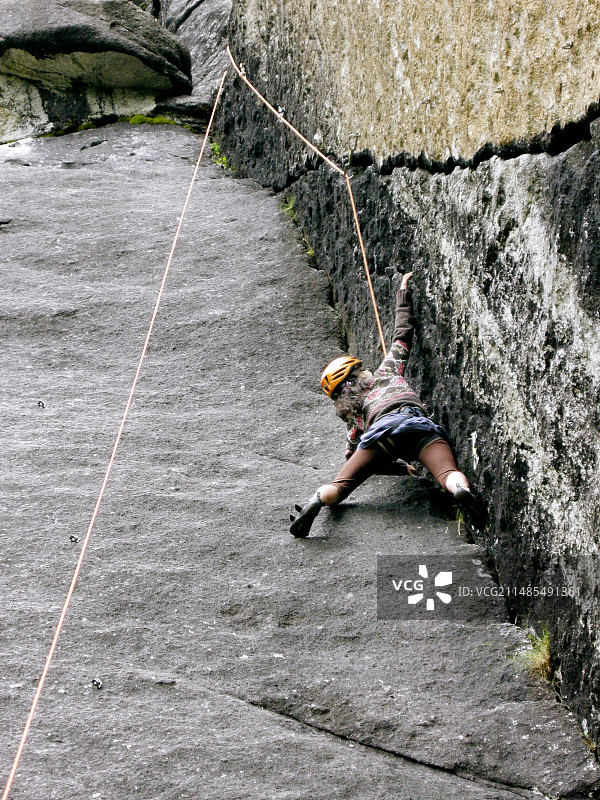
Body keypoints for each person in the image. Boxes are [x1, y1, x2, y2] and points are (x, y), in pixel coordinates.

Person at [289, 272, 487, 538]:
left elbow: (356, 458)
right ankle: (461, 490)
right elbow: (402, 336)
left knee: (341, 486)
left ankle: (317, 500)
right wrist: (403, 294)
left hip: (380, 435)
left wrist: (398, 468)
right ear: (357, 375)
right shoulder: (387, 372)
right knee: (448, 473)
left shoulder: (356, 423)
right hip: (419, 427)